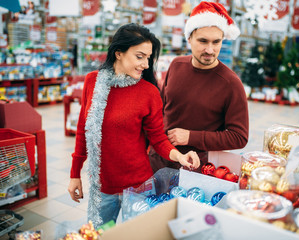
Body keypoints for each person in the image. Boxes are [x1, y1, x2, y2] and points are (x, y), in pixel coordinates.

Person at [68, 23, 200, 228]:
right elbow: (83, 130)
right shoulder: (92, 82)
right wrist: (75, 174)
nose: (146, 65)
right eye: (140, 56)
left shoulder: (149, 92)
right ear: (118, 53)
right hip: (102, 188)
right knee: (99, 234)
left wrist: (180, 156)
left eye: (148, 57)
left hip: (139, 186)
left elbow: (158, 138)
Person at [150, 1, 249, 173]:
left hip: (196, 170)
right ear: (189, 38)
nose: (210, 50)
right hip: (158, 161)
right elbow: (162, 108)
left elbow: (239, 137)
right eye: (203, 41)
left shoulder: (231, 83)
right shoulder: (176, 65)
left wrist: (190, 136)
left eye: (216, 42)